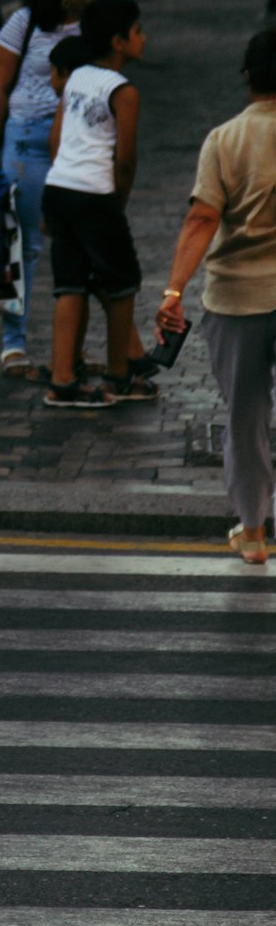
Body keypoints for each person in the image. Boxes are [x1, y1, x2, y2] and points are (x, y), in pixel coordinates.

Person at [157, 28, 276, 564]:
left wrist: (174, 290)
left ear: (248, 76)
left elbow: (202, 218)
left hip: (237, 299)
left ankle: (252, 532)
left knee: (245, 415)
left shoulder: (225, 139)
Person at [0, 0, 107, 377]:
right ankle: (13, 345)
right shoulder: (25, 22)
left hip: (76, 146)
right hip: (25, 146)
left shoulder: (95, 29)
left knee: (76, 247)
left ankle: (73, 348)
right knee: (22, 247)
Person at [40, 0, 158, 407]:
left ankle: (63, 380)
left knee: (69, 284)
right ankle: (117, 375)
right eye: (138, 31)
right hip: (95, 193)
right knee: (122, 285)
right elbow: (125, 159)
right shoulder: (123, 91)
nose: (143, 38)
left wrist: (61, 179)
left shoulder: (77, 78)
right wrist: (117, 203)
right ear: (119, 41)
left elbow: (55, 139)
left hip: (60, 187)